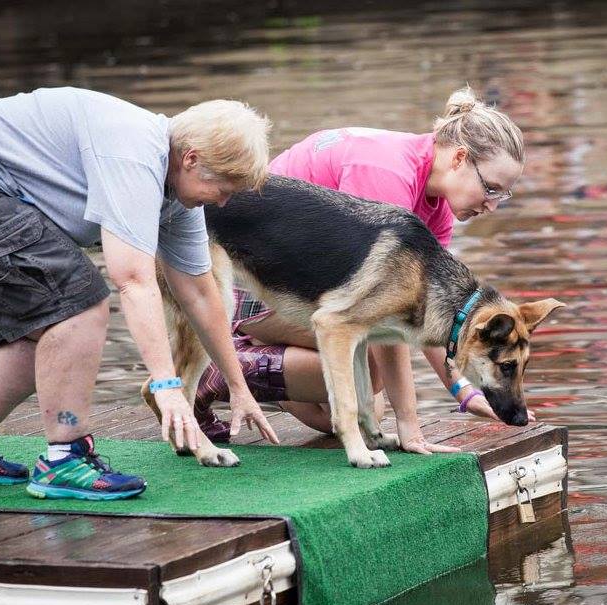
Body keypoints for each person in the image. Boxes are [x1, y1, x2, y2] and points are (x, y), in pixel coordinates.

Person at [0, 87, 279, 501]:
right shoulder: (133, 154)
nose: (223, 202)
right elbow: (132, 279)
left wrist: (239, 387)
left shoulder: (177, 198)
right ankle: (65, 459)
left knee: (44, 326)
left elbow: (201, 294)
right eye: (224, 188)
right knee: (78, 304)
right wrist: (167, 386)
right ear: (191, 159)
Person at [195, 86, 533, 453]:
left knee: (355, 407)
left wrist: (463, 393)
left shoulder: (437, 206)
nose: (492, 205)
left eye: (502, 195)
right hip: (250, 270)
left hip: (318, 288)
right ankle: (224, 367)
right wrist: (411, 427)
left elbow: (435, 321)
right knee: (369, 370)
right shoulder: (386, 173)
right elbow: (388, 313)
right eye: (492, 189)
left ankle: (263, 370)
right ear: (460, 159)